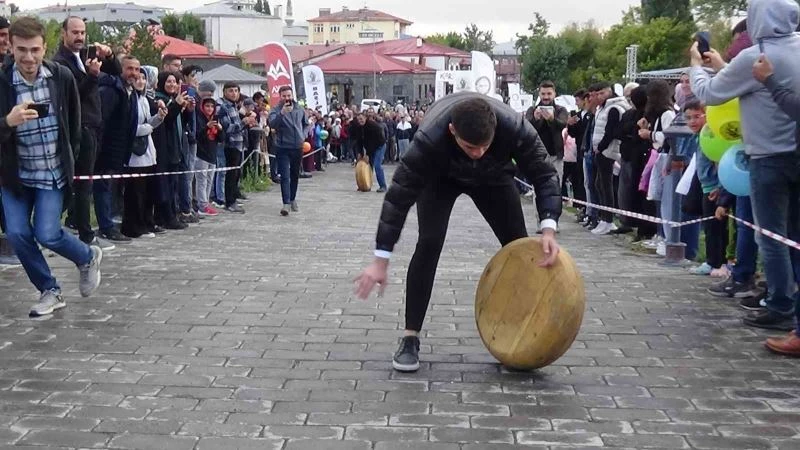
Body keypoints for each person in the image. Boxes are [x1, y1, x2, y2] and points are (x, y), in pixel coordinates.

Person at [353, 93, 563, 372]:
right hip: (439, 178)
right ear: (452, 131)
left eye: (483, 146)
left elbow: (545, 174)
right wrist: (381, 260)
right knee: (429, 243)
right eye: (469, 146)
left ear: (495, 133)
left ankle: (522, 331)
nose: (476, 152)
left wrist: (548, 228)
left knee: (519, 247)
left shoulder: (515, 127)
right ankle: (410, 338)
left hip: (493, 176)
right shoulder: (429, 138)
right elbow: (398, 198)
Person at [689, 0, 800, 331]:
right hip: (796, 151)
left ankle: (780, 304)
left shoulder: (755, 56)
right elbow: (753, 83)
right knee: (795, 236)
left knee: (771, 236)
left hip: (766, 157)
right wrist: (725, 64)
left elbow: (708, 93)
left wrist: (697, 64)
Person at [0, 17, 102, 317]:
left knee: (47, 233)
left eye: (34, 49)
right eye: (21, 50)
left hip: (52, 172)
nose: (28, 57)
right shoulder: (3, 83)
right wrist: (8, 121)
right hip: (15, 175)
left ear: (45, 47)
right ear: (11, 48)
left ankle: (86, 257)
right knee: (18, 234)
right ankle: (50, 290)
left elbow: (73, 123)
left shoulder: (62, 77)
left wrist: (72, 160)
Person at [53, 16, 119, 251]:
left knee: (84, 183)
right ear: (64, 34)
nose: (80, 37)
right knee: (80, 184)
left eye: (82, 32)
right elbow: (73, 96)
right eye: (75, 32)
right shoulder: (60, 62)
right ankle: (84, 234)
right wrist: (91, 76)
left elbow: (116, 74)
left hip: (93, 127)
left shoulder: (85, 57)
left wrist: (109, 56)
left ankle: (74, 226)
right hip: (77, 128)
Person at [268, 86, 307, 216]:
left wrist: (303, 135)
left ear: (292, 95)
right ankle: (286, 203)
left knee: (295, 174)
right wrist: (282, 113)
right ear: (280, 97)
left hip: (298, 146)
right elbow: (272, 124)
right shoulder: (275, 110)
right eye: (284, 96)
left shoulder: (299, 109)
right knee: (285, 176)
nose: (287, 98)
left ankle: (292, 198)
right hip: (282, 146)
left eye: (288, 95)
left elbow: (306, 124)